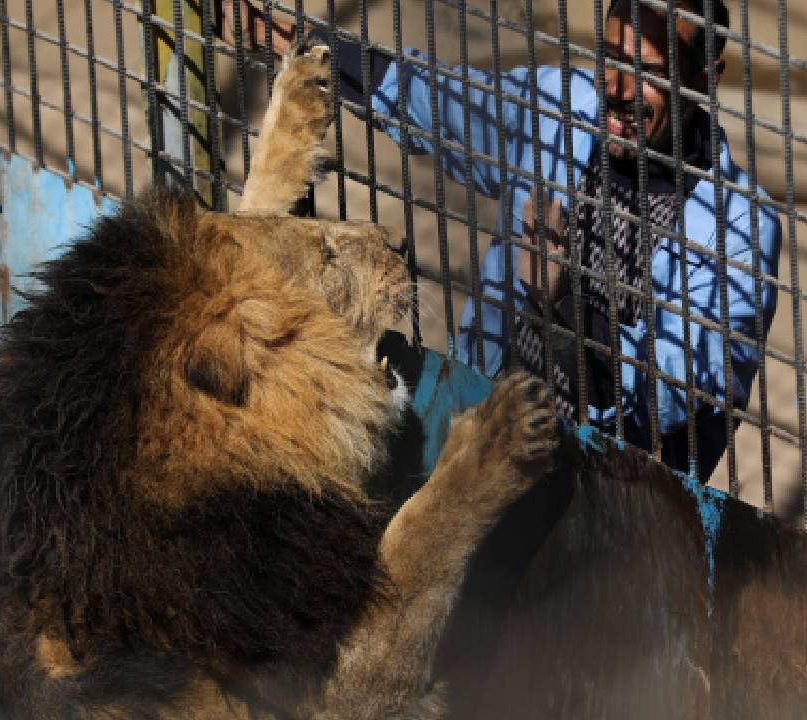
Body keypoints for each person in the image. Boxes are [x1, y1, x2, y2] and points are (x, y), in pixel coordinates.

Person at [218, 0, 781, 481]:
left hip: (611, 503)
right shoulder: (563, 111)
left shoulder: (738, 226)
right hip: (474, 427)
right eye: (610, 59)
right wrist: (289, 42)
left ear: (707, 78)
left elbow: (669, 393)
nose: (617, 89)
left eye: (648, 72)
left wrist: (564, 306)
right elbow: (432, 102)